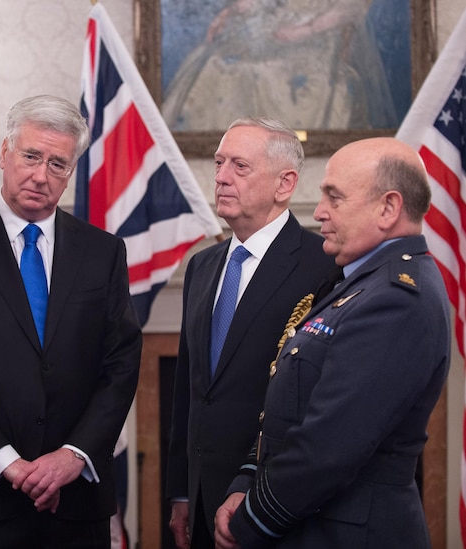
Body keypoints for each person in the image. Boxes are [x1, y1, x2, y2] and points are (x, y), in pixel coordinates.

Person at [0, 95, 142, 549]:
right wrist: (9, 464)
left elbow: (121, 364)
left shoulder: (104, 252)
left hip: (78, 507)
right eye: (31, 156)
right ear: (4, 153)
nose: (41, 175)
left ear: (72, 172)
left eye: (58, 164)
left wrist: (73, 456)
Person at [213, 137, 450, 549]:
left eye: (333, 197)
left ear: (388, 208)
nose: (319, 212)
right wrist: (246, 479)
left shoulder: (395, 299)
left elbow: (329, 448)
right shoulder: (358, 283)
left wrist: (250, 521)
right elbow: (286, 410)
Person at [164, 117, 335, 549]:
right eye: (220, 163)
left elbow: (317, 400)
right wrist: (181, 489)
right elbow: (190, 390)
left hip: (275, 505)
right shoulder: (202, 266)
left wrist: (258, 488)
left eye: (240, 166)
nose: (220, 177)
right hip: (201, 499)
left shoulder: (325, 266)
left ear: (285, 184)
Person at [161, 0, 398, 132]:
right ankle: (220, 144)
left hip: (318, 45)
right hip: (277, 35)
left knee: (259, 74)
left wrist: (306, 30)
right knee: (212, 62)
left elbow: (352, 8)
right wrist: (229, 12)